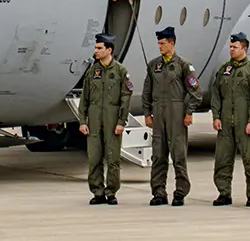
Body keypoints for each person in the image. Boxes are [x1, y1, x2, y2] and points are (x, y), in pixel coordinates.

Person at [142, 26, 203, 206]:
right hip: (158, 114)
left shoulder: (184, 66)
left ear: (172, 43)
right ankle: (159, 192)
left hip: (176, 113)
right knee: (158, 155)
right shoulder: (154, 65)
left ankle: (181, 191)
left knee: (178, 154)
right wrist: (147, 113)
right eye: (158, 43)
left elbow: (196, 91)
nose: (159, 47)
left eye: (162, 43)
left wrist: (189, 112)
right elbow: (147, 91)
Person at [210, 32, 250, 207]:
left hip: (245, 122)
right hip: (226, 122)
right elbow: (217, 94)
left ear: (245, 48)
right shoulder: (224, 70)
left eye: (235, 47)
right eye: (231, 47)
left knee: (249, 160)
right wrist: (216, 116)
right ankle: (224, 193)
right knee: (222, 159)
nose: (232, 50)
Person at [77, 32, 133, 205]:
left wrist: (121, 122)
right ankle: (97, 192)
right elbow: (84, 99)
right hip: (94, 121)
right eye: (96, 48)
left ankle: (111, 192)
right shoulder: (92, 72)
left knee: (112, 159)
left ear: (109, 50)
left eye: (99, 48)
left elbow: (126, 97)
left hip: (112, 121)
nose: (96, 51)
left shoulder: (120, 71)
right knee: (94, 158)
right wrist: (82, 121)